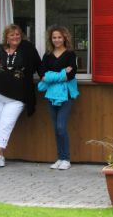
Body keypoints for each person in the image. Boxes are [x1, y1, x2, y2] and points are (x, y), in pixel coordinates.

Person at [0, 24, 40, 171]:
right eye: (12, 35)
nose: (15, 37)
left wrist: (49, 77)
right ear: (6, 37)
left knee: (5, 125)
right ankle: (0, 157)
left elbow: (39, 66)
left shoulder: (27, 48)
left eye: (17, 34)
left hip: (17, 97)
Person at [38, 25, 79, 170]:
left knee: (61, 126)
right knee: (56, 128)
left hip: (66, 95)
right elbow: (43, 75)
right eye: (54, 37)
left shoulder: (70, 54)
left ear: (64, 38)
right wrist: (62, 73)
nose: (57, 40)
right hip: (51, 95)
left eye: (59, 37)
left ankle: (66, 159)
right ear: (51, 39)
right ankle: (60, 158)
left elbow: (71, 75)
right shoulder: (47, 55)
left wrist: (51, 76)